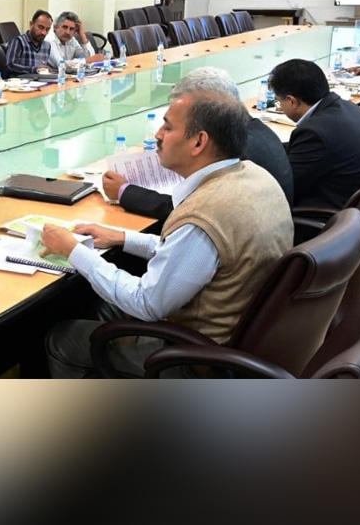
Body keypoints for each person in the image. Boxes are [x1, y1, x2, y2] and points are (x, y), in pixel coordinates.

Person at [42, 93, 293, 378]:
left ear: (198, 142)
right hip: (237, 336)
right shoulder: (254, 176)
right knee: (99, 309)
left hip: (193, 357)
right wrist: (122, 238)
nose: (158, 135)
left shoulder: (205, 212)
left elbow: (147, 303)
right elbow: (191, 252)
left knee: (63, 338)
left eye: (168, 127)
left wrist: (73, 250)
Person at [102, 67, 294, 220]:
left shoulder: (236, 150)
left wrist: (125, 191)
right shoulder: (257, 130)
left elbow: (187, 211)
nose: (159, 134)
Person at [268, 59, 360, 210]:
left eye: (278, 101)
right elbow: (301, 149)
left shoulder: (315, 132)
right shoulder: (349, 108)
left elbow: (284, 186)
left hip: (324, 212)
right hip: (352, 204)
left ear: (292, 101)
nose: (280, 106)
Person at [4, 10, 61, 76]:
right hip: (20, 81)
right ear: (31, 24)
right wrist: (34, 69)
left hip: (40, 80)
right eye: (40, 27)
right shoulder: (18, 42)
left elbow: (41, 69)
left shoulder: (47, 46)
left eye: (47, 29)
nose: (44, 32)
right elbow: (10, 65)